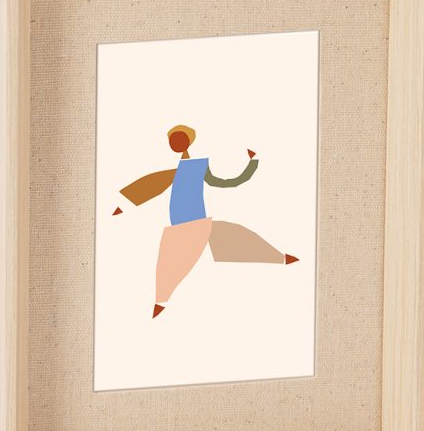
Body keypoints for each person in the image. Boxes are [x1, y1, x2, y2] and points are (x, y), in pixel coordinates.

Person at [114, 125, 298, 317]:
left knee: (177, 263)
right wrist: (123, 206)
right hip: (188, 226)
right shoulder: (178, 170)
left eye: (176, 140)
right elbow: (151, 186)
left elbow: (228, 182)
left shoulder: (194, 167)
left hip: (192, 225)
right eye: (174, 140)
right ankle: (282, 259)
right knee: (230, 238)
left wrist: (252, 164)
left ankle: (160, 304)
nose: (174, 143)